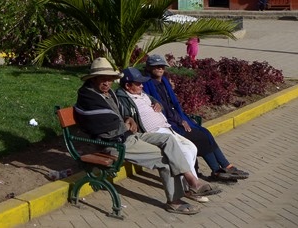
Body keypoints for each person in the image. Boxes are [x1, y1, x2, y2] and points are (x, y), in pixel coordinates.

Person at [75, 58, 220, 215]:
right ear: (93, 79)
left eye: (110, 79)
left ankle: (191, 180)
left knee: (168, 139)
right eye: (103, 78)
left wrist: (128, 119)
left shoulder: (107, 93)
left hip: (128, 135)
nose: (107, 82)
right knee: (164, 159)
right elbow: (104, 125)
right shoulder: (88, 97)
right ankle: (174, 201)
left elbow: (118, 115)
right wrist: (125, 124)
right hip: (115, 144)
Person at [142, 54, 250, 181]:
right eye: (156, 66)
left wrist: (183, 119)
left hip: (177, 118)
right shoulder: (147, 84)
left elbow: (174, 104)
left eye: (162, 66)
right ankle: (217, 170)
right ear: (149, 67)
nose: (160, 68)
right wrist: (181, 121)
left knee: (205, 132)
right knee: (201, 137)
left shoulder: (164, 81)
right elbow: (163, 108)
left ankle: (224, 166)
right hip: (169, 123)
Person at [115, 67, 207, 202]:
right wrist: (129, 118)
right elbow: (122, 114)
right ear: (128, 85)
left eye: (142, 82)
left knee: (191, 148)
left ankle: (191, 185)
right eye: (138, 83)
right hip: (152, 132)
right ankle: (190, 188)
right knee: (184, 152)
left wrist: (158, 105)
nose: (142, 85)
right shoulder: (122, 97)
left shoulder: (142, 94)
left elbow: (157, 102)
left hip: (166, 128)